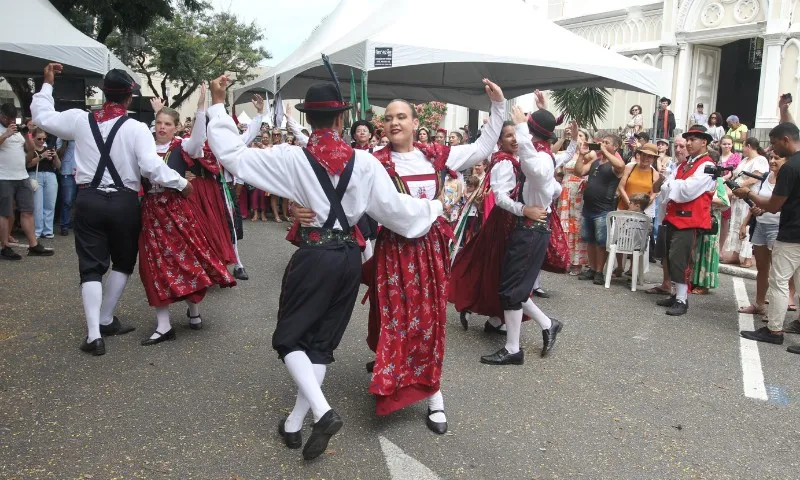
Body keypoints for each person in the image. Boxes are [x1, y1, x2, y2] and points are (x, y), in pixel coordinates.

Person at [206, 77, 443, 459]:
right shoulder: (364, 162)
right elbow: (397, 211)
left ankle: (323, 412)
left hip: (315, 254)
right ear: (338, 121)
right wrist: (434, 207)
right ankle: (294, 423)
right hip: (349, 257)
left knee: (288, 339)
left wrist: (218, 106)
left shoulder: (289, 156)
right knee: (319, 346)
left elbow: (233, 156)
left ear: (310, 119)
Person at [31, 63, 192, 355]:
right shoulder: (136, 128)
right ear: (129, 98)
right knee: (122, 261)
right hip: (123, 202)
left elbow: (42, 116)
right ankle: (105, 317)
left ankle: (95, 334)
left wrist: (47, 83)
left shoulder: (81, 120)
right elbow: (151, 166)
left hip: (89, 199)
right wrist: (181, 183)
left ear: (105, 94)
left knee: (91, 266)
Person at [452, 105, 575, 366]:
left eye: (517, 133)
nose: (515, 139)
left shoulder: (535, 159)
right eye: (509, 135)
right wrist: (530, 205)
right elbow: (508, 195)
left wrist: (530, 207)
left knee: (511, 286)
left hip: (526, 228)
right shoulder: (514, 161)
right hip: (514, 227)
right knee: (507, 284)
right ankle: (513, 328)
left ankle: (516, 343)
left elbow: (543, 176)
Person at [138, 100, 236, 344]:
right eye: (159, 123)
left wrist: (201, 110)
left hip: (178, 211)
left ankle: (193, 309)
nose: (162, 127)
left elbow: (197, 140)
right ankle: (163, 324)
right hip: (152, 212)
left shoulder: (182, 146)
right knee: (155, 266)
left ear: (176, 127)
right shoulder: (144, 147)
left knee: (189, 261)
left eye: (167, 124)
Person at [736, 122, 800, 353]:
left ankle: (774, 330)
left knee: (779, 282)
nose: (772, 149)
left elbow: (773, 205)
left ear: (785, 139)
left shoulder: (790, 167)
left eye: (774, 143)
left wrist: (748, 193)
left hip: (792, 233)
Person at [653, 125, 716, 316]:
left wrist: (672, 184)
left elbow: (688, 190)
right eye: (687, 139)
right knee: (671, 258)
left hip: (690, 220)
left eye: (692, 140)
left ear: (703, 142)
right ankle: (676, 294)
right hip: (675, 217)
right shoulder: (685, 164)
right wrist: (673, 185)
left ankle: (682, 299)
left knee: (680, 259)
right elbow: (667, 186)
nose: (688, 143)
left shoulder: (707, 165)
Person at [737, 151, 792, 313]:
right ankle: (759, 304)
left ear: (787, 160)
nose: (773, 161)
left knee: (778, 272)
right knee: (762, 269)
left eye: (777, 158)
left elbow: (781, 205)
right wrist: (745, 223)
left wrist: (764, 208)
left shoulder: (787, 178)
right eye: (771, 158)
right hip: (760, 225)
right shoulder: (766, 177)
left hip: (778, 228)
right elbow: (758, 202)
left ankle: (776, 312)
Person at [0, 103, 53, 259]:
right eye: (8, 118)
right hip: (4, 177)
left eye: (13, 119)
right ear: (2, 115)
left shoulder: (17, 131)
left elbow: (30, 151)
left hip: (22, 176)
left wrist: (27, 135)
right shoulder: (5, 131)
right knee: (6, 213)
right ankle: (5, 247)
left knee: (28, 210)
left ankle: (33, 245)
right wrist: (5, 135)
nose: (11, 121)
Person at [574, 133, 626, 284]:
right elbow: (579, 171)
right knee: (589, 240)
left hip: (604, 209)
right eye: (601, 142)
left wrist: (606, 152)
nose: (602, 144)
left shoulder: (615, 164)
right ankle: (591, 268)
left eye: (607, 142)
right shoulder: (596, 162)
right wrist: (581, 155)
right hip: (588, 207)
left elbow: (621, 166)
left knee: (601, 242)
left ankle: (599, 271)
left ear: (615, 146)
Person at [721, 137, 768, 268]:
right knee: (736, 225)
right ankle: (735, 255)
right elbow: (737, 174)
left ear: (749, 146)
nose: (742, 149)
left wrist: (740, 185)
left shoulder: (760, 160)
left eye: (744, 146)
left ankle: (747, 257)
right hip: (738, 196)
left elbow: (755, 179)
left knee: (745, 225)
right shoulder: (745, 160)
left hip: (749, 196)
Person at [614, 143, 660, 276]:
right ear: (639, 155)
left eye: (650, 156)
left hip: (642, 211)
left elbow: (654, 194)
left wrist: (640, 208)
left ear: (654, 159)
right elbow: (621, 186)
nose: (646, 158)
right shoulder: (629, 167)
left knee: (637, 240)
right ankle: (619, 266)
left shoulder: (654, 174)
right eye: (644, 155)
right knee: (619, 237)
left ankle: (633, 269)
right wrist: (629, 203)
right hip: (624, 206)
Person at [559, 129, 593, 275]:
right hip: (565, 188)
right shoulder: (566, 152)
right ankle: (564, 258)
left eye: (581, 135)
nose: (578, 138)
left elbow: (591, 162)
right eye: (576, 135)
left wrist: (583, 150)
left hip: (579, 190)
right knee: (564, 223)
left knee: (577, 224)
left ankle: (577, 261)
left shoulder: (589, 153)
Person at [690, 172, 730, 294]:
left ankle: (704, 284)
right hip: (697, 217)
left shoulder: (718, 181)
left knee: (707, 250)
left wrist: (705, 197)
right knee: (694, 250)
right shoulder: (697, 178)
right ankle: (693, 280)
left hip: (710, 219)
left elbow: (725, 202)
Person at [26, 128, 60, 239]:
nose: (41, 141)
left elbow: (58, 166)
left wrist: (55, 156)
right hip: (36, 176)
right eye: (39, 138)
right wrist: (42, 156)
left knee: (50, 204)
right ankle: (37, 230)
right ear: (33, 137)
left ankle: (48, 230)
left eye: (44, 138)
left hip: (50, 176)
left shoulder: (48, 148)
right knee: (37, 205)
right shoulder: (31, 149)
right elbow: (28, 164)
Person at [56, 136, 77, 236]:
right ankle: (64, 226)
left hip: (82, 172)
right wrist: (65, 142)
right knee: (67, 201)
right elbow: (59, 154)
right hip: (67, 171)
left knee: (81, 201)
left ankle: (78, 225)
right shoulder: (61, 136)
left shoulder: (83, 133)